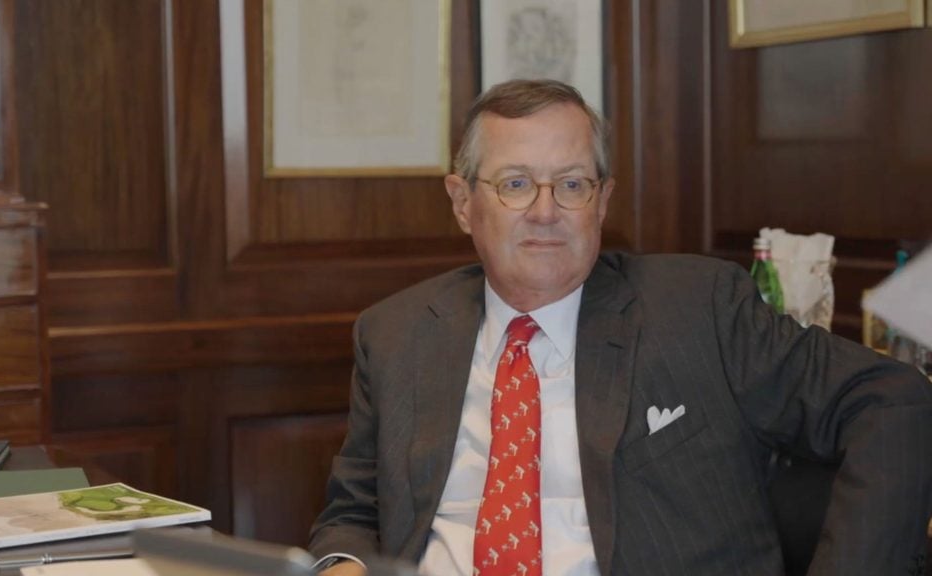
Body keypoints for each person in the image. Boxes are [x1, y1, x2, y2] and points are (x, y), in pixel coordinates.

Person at [309, 79, 932, 576]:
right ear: (463, 202)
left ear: (603, 202)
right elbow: (354, 513)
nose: (546, 212)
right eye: (516, 184)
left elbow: (893, 399)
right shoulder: (396, 335)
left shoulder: (697, 309)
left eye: (573, 184)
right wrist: (345, 566)